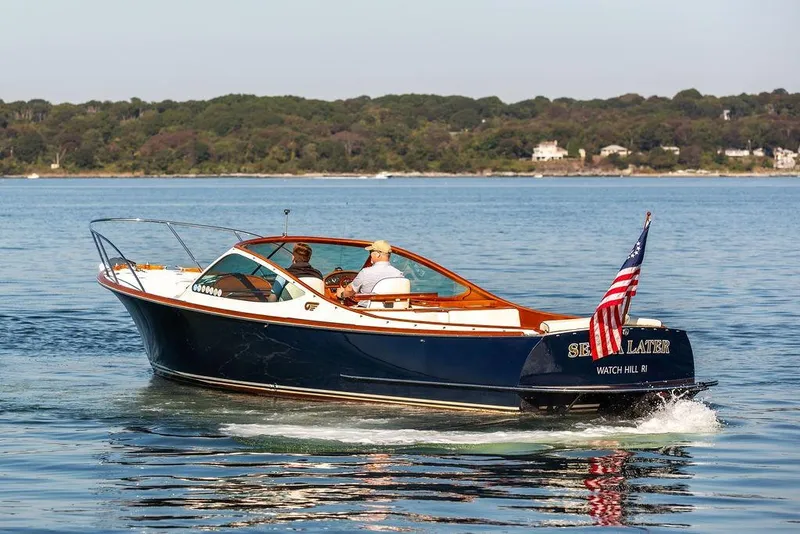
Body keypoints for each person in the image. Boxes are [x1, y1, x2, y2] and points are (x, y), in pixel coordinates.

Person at [336, 240, 404, 300]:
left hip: (364, 309)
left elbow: (350, 289)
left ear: (378, 255)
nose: (370, 255)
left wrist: (341, 294)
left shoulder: (365, 272)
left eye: (371, 252)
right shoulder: (398, 274)